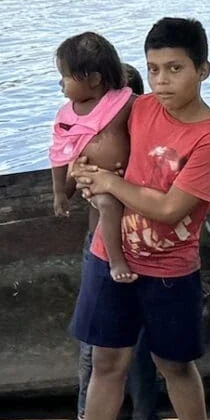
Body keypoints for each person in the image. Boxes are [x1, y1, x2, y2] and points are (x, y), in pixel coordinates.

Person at [45, 17, 210, 420]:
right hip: (109, 257)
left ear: (204, 69)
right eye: (153, 70)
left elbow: (172, 208)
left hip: (170, 267)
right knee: (107, 362)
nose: (163, 81)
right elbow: (88, 134)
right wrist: (84, 173)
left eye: (176, 68)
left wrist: (111, 185)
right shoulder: (135, 106)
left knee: (175, 364)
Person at [74, 64, 165, 420]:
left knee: (95, 335)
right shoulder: (130, 139)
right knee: (136, 337)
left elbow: (70, 174)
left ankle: (87, 413)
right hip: (128, 245)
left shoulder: (91, 134)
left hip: (96, 244)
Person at [50, 33, 138, 283]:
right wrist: (60, 192)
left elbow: (152, 114)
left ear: (94, 79)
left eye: (65, 77)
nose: (61, 84)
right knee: (107, 206)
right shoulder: (67, 117)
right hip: (94, 184)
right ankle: (114, 259)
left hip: (126, 181)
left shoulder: (122, 103)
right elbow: (59, 155)